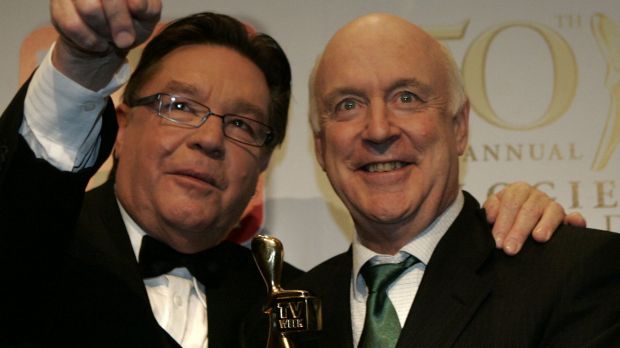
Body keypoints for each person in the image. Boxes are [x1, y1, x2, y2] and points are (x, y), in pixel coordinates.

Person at [0, 2, 583, 347]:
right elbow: (23, 197)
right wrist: (79, 70)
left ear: (264, 162)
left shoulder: (303, 300)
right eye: (179, 106)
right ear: (120, 125)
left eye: (243, 125)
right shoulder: (37, 246)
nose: (208, 138)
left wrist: (516, 243)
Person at [294, 13, 620, 347]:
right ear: (320, 146)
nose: (378, 129)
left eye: (406, 98)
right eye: (348, 104)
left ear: (459, 127)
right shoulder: (280, 319)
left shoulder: (573, 273)